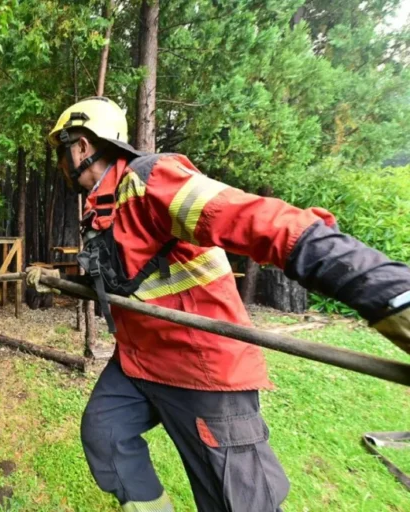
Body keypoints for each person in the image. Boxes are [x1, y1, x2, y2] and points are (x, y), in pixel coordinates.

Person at [26, 96, 410, 512]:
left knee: (238, 504)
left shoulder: (149, 180)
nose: (61, 164)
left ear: (81, 145)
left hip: (202, 367)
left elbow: (255, 218)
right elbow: (123, 278)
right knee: (106, 434)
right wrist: (58, 281)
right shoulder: (101, 206)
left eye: (62, 152)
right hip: (139, 362)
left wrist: (387, 292)